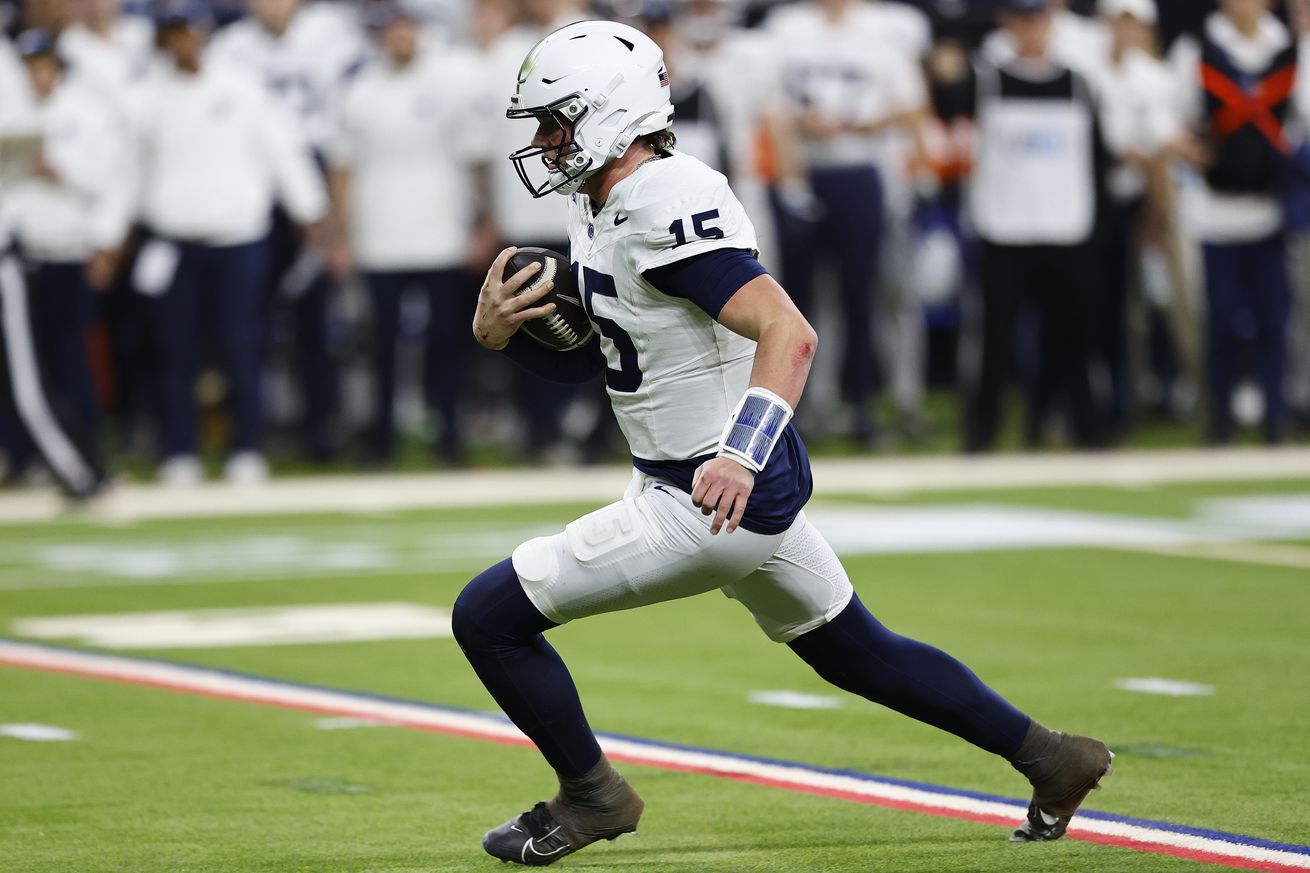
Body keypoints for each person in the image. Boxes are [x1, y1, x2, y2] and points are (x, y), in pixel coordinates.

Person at [454, 19, 1112, 867]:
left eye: (556, 121)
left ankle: (593, 794)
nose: (544, 143)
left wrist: (739, 452)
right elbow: (616, 361)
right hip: (712, 482)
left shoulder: (662, 198)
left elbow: (788, 333)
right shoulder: (607, 198)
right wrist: (504, 335)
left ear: (611, 112)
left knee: (488, 617)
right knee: (856, 649)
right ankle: (1055, 758)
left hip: (708, 495)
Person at [128, 3, 327, 484]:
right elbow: (128, 169)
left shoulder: (241, 86)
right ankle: (179, 450)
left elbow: (282, 149)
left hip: (239, 237)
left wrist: (309, 211)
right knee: (175, 350)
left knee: (242, 345)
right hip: (174, 241)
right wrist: (109, 232)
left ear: (204, 35)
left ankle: (247, 448)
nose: (183, 44)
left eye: (189, 33)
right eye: (173, 35)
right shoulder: (148, 97)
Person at [760, 0, 930, 447]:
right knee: (795, 302)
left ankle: (861, 405)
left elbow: (913, 107)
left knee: (861, 294)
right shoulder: (788, 27)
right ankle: (795, 410)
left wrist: (854, 124)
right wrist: (792, 170)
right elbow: (771, 108)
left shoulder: (884, 30)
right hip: (804, 172)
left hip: (859, 171)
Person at [207, 0, 368, 461]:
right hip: (252, 188)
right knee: (245, 323)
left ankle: (323, 434)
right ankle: (251, 436)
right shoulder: (230, 46)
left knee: (316, 322)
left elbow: (344, 126)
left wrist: (334, 220)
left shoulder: (332, 32)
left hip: (314, 177)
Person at [328, 1, 484, 464]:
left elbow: (475, 158)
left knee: (446, 345)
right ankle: (380, 440)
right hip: (380, 238)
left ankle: (449, 437)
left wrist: (480, 222)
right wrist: (340, 236)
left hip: (442, 236)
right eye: (390, 30)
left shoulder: (450, 83)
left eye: (405, 29)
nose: (399, 37)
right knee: (382, 347)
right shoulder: (359, 90)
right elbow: (342, 167)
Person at [963, 0, 1108, 453]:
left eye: (1037, 19)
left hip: (1066, 228)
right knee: (996, 341)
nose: (1030, 29)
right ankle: (982, 435)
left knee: (1075, 338)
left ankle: (1085, 430)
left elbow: (1097, 159)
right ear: (1007, 24)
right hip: (1005, 229)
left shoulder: (1078, 82)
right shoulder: (985, 80)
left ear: (1051, 22)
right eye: (1021, 20)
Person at [1169, 0, 1310, 444]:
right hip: (1215, 213)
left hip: (1270, 212)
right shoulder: (1197, 50)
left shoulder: (1291, 49)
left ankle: (1276, 420)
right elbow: (1177, 125)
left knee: (1275, 322)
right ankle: (1219, 424)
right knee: (1222, 323)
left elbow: (1301, 123)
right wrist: (1192, 150)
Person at [0, 30, 120, 499]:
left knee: (44, 377)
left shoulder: (83, 112)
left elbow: (109, 179)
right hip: (28, 248)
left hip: (53, 251)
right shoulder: (17, 102)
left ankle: (84, 472)